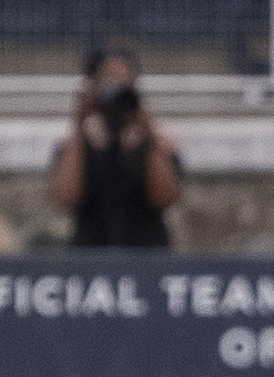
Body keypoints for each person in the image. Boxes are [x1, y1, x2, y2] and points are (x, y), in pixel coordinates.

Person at [51, 49, 183, 250]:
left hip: (147, 257)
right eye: (108, 80)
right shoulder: (77, 143)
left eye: (125, 81)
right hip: (90, 256)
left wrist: (148, 136)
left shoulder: (155, 143)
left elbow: (166, 198)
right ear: (93, 85)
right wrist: (80, 125)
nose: (117, 89)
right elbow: (65, 198)